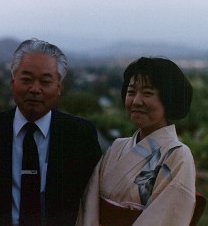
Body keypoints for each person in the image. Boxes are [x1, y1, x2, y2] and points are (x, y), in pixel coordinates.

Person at [0, 39, 102, 225]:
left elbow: (92, 202)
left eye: (45, 82)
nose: (35, 89)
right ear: (13, 82)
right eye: (27, 80)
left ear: (59, 87)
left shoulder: (80, 135)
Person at [76, 57, 196, 226]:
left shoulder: (177, 155)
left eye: (147, 93)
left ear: (169, 98)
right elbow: (89, 204)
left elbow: (165, 216)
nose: (136, 101)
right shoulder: (117, 147)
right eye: (131, 92)